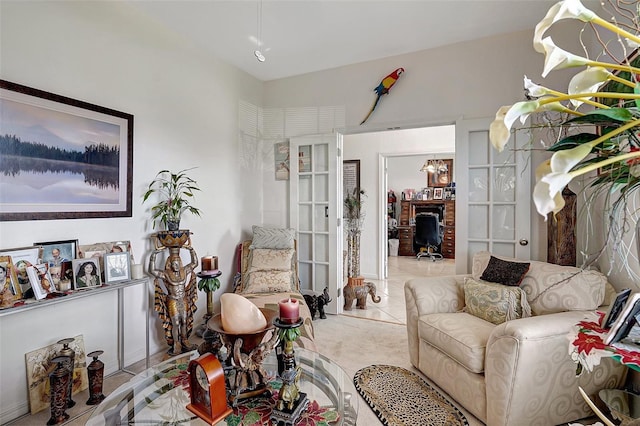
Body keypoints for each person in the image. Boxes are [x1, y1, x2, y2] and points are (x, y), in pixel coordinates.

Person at [149, 244, 198, 355]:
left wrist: (191, 249)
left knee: (184, 321)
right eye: (173, 264)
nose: (175, 265)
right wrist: (153, 255)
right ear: (170, 264)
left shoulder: (184, 271)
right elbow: (152, 271)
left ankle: (185, 340)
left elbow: (195, 263)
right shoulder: (166, 274)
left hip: (183, 299)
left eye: (177, 263)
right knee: (175, 323)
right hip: (172, 300)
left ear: (179, 263)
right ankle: (176, 343)